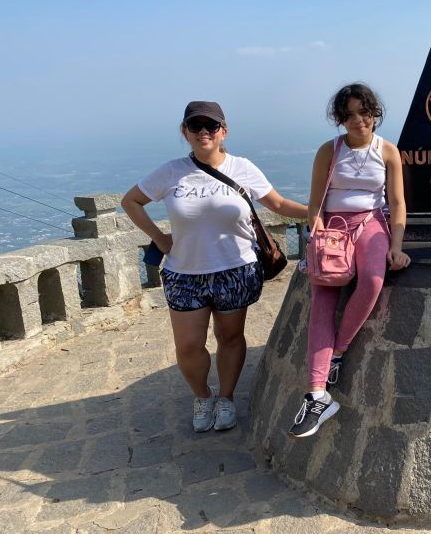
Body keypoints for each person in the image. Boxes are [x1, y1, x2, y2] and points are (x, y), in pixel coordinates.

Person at [122, 101, 308, 433]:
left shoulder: (243, 168)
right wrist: (160, 238)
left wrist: (319, 212)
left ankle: (225, 397)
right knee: (189, 345)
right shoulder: (171, 171)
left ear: (224, 131)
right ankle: (202, 396)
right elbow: (131, 201)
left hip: (236, 269)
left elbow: (278, 204)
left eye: (211, 126)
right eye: (196, 126)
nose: (204, 132)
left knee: (229, 336)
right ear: (185, 132)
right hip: (184, 273)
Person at [288, 83, 410, 438]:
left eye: (365, 112)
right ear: (341, 120)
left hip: (371, 223)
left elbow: (397, 202)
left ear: (375, 113)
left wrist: (396, 245)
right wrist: (320, 236)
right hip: (334, 226)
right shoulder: (330, 150)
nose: (359, 121)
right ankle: (316, 394)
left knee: (372, 280)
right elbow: (315, 203)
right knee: (322, 301)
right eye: (350, 115)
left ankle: (338, 351)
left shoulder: (388, 151)